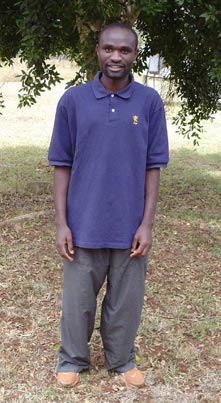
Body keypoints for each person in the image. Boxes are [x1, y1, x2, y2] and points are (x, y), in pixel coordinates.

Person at [48, 22, 169, 388]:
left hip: (130, 227)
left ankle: (121, 359)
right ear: (97, 51)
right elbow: (61, 163)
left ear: (134, 54)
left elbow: (153, 167)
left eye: (125, 50)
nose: (116, 56)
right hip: (83, 223)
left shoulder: (149, 102)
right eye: (109, 49)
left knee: (126, 302)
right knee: (78, 301)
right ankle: (72, 358)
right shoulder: (73, 101)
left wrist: (146, 224)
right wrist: (62, 223)